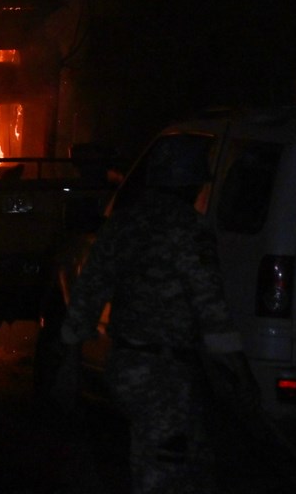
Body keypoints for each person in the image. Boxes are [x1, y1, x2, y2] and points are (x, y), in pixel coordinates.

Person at [53, 137, 256, 494]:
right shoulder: (189, 230)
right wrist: (237, 369)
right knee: (163, 471)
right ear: (192, 182)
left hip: (126, 366)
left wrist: (68, 359)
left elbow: (88, 291)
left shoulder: (123, 224)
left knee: (163, 457)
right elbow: (211, 307)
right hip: (165, 375)